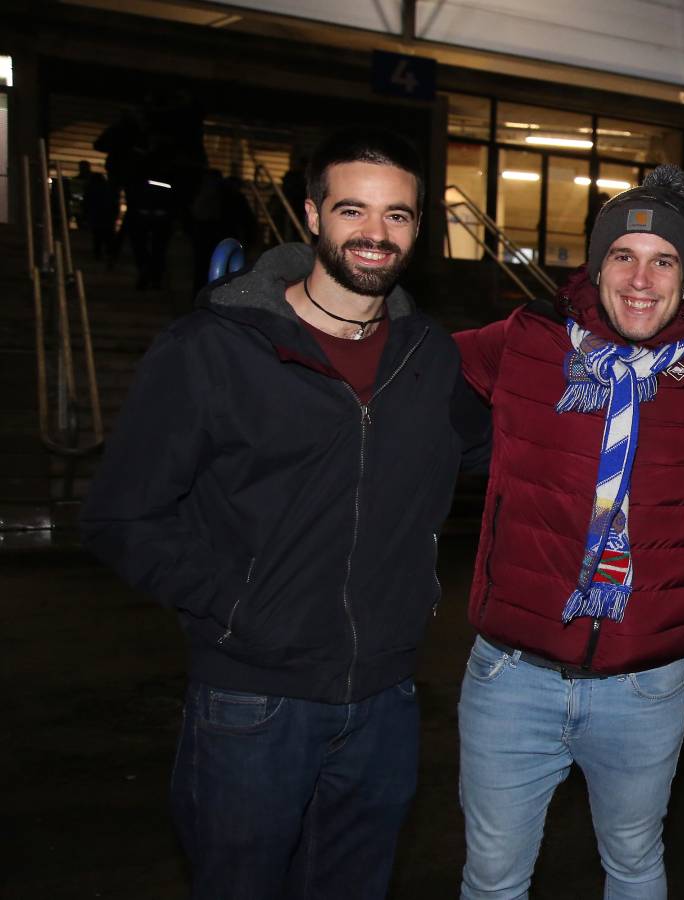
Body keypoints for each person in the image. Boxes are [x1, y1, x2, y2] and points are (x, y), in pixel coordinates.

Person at [81, 126, 489, 898]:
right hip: (253, 699)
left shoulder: (429, 358)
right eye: (352, 209)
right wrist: (238, 607)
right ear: (310, 214)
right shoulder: (213, 349)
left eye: (397, 214)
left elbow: (511, 451)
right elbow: (120, 517)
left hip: (386, 700)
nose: (375, 233)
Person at [449, 164, 684, 899]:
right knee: (493, 879)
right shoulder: (527, 342)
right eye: (623, 256)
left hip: (645, 688)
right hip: (511, 679)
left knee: (634, 862)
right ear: (595, 267)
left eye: (664, 261)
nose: (641, 279)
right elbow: (397, 360)